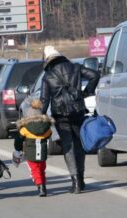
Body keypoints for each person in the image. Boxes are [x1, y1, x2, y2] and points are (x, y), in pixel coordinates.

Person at [40, 46, 100, 194]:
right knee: (80, 144)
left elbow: (44, 99)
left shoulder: (47, 76)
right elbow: (95, 75)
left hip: (60, 115)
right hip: (78, 111)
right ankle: (81, 179)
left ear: (47, 60)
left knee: (68, 146)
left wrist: (40, 117)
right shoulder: (75, 67)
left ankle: (75, 182)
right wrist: (87, 92)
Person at [13, 99, 54, 197]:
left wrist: (18, 149)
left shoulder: (25, 128)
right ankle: (43, 185)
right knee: (42, 168)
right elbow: (49, 134)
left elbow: (18, 140)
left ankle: (40, 187)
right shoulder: (46, 127)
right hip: (42, 151)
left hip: (30, 152)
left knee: (34, 170)